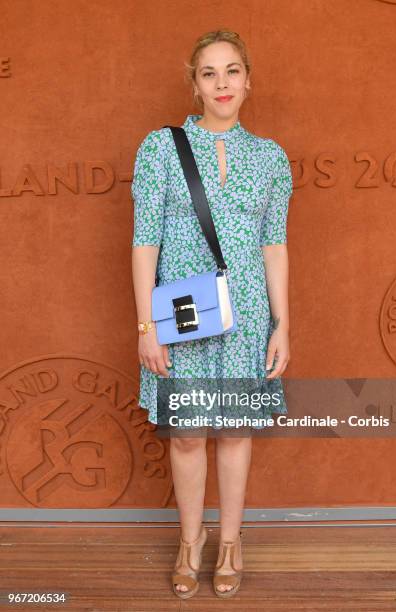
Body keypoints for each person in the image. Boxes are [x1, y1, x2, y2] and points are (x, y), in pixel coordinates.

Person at [131, 29, 293, 599]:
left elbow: (274, 246)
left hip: (246, 317)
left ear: (248, 80)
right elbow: (143, 242)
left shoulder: (270, 157)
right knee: (186, 436)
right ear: (194, 84)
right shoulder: (160, 148)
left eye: (231, 71)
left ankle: (229, 542)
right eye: (209, 73)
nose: (221, 83)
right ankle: (190, 540)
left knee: (232, 431)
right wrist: (146, 327)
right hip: (180, 317)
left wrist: (283, 324)